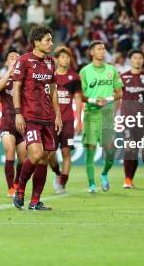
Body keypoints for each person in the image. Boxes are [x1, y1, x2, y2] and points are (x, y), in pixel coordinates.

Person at [12, 26, 62, 210]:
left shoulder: (51, 62)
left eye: (51, 39)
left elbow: (53, 90)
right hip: (30, 116)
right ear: (36, 42)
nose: (51, 43)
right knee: (36, 154)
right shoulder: (24, 61)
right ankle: (20, 190)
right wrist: (18, 113)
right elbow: (16, 88)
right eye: (47, 40)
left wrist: (57, 115)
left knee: (44, 158)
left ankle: (35, 202)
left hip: (47, 117)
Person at [79, 41, 123, 193]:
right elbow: (80, 95)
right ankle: (91, 184)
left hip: (107, 116)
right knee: (90, 150)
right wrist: (93, 101)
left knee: (110, 151)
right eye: (99, 49)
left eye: (104, 49)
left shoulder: (112, 70)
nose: (103, 51)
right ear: (92, 52)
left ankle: (104, 174)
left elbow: (119, 93)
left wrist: (107, 100)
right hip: (91, 115)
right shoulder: (84, 72)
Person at [120, 49, 144, 189]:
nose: (138, 60)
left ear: (143, 60)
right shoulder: (122, 78)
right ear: (130, 60)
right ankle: (128, 179)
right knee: (130, 148)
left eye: (140, 58)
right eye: (135, 58)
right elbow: (117, 96)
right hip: (128, 120)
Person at [0, 49, 27, 197]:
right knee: (9, 150)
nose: (14, 59)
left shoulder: (25, 79)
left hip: (23, 122)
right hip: (7, 122)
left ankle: (16, 183)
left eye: (16, 57)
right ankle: (10, 189)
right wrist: (9, 72)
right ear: (7, 62)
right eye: (11, 57)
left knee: (23, 158)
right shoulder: (2, 78)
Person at [50, 46, 82, 194]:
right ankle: (57, 173)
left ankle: (63, 182)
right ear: (56, 59)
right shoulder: (50, 76)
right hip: (51, 121)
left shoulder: (74, 77)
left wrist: (79, 120)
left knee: (66, 152)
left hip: (68, 120)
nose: (66, 59)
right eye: (63, 57)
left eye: (68, 57)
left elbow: (77, 99)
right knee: (49, 154)